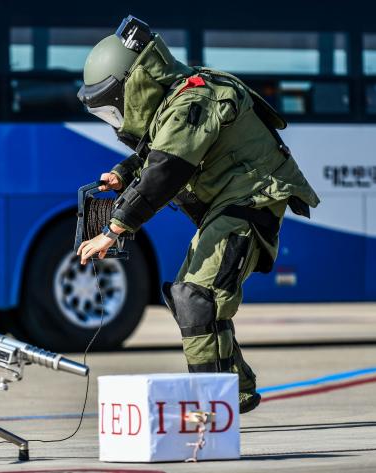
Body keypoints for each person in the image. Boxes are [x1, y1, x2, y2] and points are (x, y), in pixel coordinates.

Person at [75, 16, 319, 413]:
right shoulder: (174, 104)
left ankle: (211, 408)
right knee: (192, 299)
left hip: (252, 199)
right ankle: (234, 391)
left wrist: (114, 229)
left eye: (115, 105)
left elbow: (166, 170)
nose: (117, 119)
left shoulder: (193, 99)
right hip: (233, 201)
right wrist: (122, 175)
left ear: (135, 85)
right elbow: (154, 153)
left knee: (195, 297)